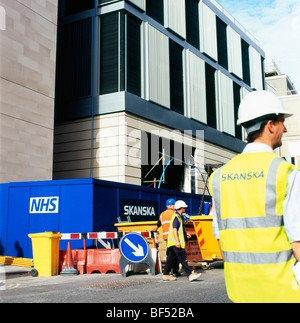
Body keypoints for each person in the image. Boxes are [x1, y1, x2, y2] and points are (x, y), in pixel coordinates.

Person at [209, 90, 300, 303]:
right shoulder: (285, 173)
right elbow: (298, 240)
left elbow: (221, 238)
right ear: (269, 125)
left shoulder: (219, 177)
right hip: (283, 292)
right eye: (281, 122)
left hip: (239, 292)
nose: (284, 128)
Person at [162, 200, 202, 282]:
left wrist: (185, 234)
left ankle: (166, 274)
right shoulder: (176, 217)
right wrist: (177, 241)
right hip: (176, 242)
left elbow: (179, 229)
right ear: (181, 208)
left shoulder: (178, 216)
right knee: (183, 259)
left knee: (170, 259)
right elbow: (174, 229)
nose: (186, 208)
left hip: (172, 242)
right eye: (184, 207)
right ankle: (190, 274)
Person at [153, 198, 180, 276]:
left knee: (171, 254)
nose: (176, 206)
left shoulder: (162, 214)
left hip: (166, 237)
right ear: (171, 206)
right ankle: (174, 271)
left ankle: (170, 270)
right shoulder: (175, 213)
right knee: (175, 254)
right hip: (174, 236)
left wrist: (153, 230)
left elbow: (158, 224)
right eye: (175, 205)